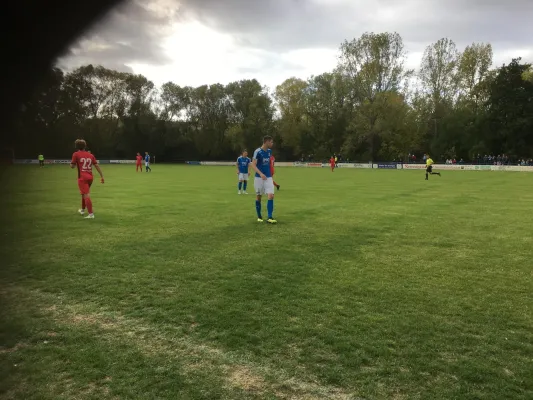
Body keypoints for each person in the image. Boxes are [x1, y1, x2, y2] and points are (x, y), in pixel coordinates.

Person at [70, 139, 104, 219]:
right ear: (85, 146)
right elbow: (96, 165)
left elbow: (72, 166)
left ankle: (91, 214)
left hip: (82, 178)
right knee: (83, 194)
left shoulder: (76, 154)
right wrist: (102, 176)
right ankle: (82, 210)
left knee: (86, 195)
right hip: (90, 177)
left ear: (76, 146)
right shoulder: (90, 155)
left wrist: (71, 164)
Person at [251, 136, 276, 224]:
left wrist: (271, 172)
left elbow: (268, 164)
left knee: (271, 195)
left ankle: (269, 217)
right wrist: (261, 173)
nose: (272, 144)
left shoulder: (269, 152)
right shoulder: (257, 152)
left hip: (268, 177)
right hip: (259, 177)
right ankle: (259, 216)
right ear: (266, 142)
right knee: (259, 196)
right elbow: (253, 164)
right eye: (271, 142)